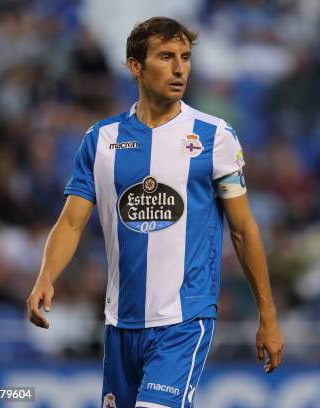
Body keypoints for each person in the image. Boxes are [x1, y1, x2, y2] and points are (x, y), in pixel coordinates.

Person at [26, 17, 284, 408]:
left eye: (185, 57)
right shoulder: (101, 141)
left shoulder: (215, 137)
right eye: (165, 57)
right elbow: (72, 221)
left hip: (184, 320)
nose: (180, 68)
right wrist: (46, 276)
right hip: (120, 324)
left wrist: (267, 314)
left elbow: (244, 230)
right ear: (135, 66)